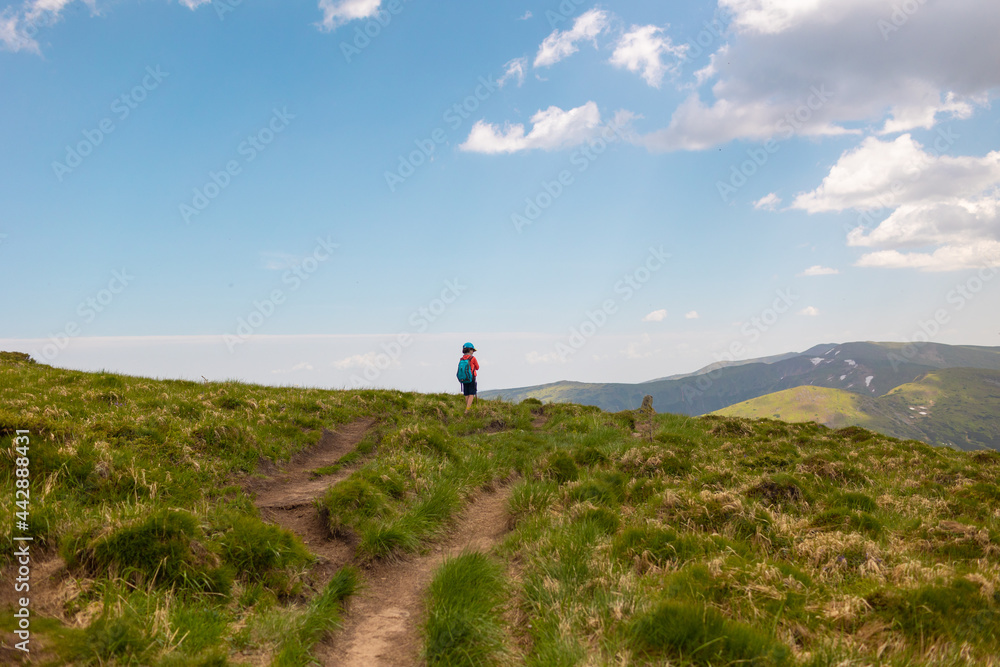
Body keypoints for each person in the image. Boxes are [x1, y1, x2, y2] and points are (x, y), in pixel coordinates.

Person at [458, 342, 479, 412]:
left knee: (466, 393)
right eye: (472, 350)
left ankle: (467, 408)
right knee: (471, 393)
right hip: (471, 378)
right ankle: (467, 409)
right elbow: (477, 367)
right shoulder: (473, 358)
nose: (473, 352)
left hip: (464, 378)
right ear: (470, 350)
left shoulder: (461, 359)